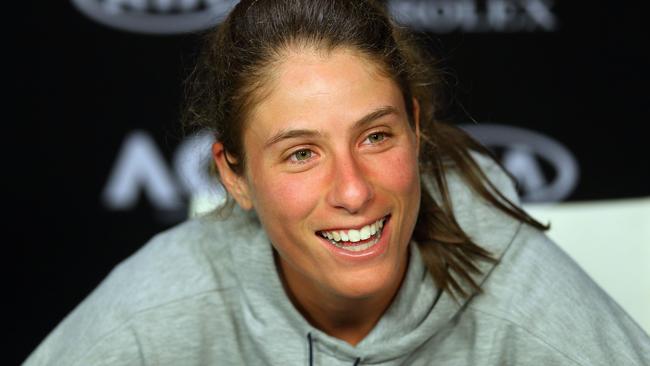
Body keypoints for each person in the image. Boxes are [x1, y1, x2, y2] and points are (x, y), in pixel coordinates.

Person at [25, 0, 650, 365]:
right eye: (301, 153)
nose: (352, 190)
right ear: (234, 176)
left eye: (375, 136)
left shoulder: (532, 312)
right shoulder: (157, 312)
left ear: (414, 127)